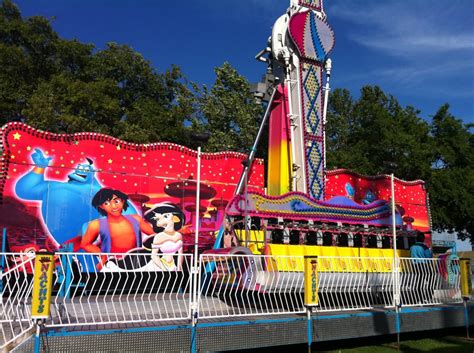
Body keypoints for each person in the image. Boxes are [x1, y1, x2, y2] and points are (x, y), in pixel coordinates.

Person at [80, 188, 154, 269]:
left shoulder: (136, 219)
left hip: (137, 263)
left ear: (122, 201)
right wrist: (102, 255)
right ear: (101, 206)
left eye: (116, 201)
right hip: (112, 265)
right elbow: (85, 244)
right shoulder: (96, 224)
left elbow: (154, 235)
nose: (113, 206)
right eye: (107, 203)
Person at [143, 203, 185, 271]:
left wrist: (179, 268)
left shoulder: (178, 235)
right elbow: (154, 255)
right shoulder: (159, 236)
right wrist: (164, 269)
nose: (160, 219)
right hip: (159, 266)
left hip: (173, 266)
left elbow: (180, 254)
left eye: (165, 216)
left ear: (175, 218)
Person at [409, 231, 433, 304]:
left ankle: (418, 299)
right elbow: (429, 257)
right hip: (424, 265)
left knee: (418, 283)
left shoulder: (412, 247)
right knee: (430, 281)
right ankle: (428, 297)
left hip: (415, 266)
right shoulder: (424, 247)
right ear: (423, 239)